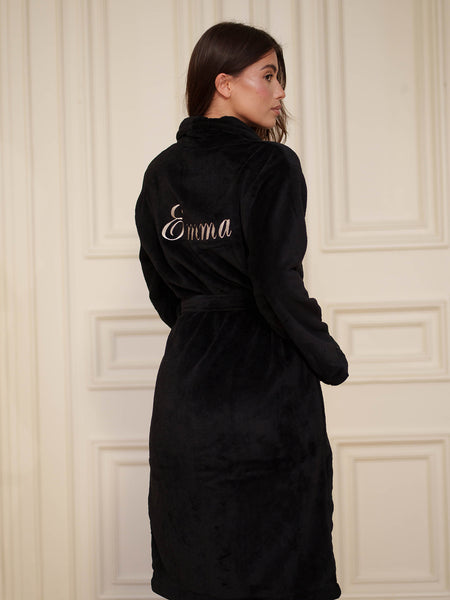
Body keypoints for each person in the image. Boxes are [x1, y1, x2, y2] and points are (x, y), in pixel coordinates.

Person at [135, 21, 348, 600]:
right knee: (276, 558)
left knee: (200, 553)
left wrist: (204, 325)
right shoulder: (272, 165)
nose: (280, 92)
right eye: (268, 75)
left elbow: (160, 284)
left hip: (189, 387)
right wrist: (327, 357)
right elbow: (277, 281)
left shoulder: (160, 172)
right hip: (265, 387)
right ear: (224, 83)